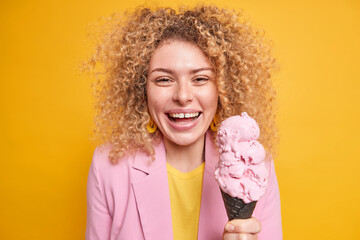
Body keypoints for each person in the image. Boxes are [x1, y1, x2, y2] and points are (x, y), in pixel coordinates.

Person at [85, 5, 282, 240]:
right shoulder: (108, 168)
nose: (183, 96)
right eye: (164, 79)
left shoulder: (254, 168)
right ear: (142, 90)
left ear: (222, 88)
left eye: (200, 78)